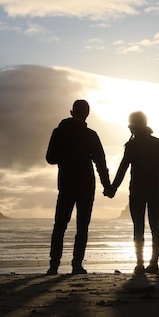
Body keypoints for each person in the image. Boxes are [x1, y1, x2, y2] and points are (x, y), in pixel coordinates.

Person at [45, 100, 110, 275]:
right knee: (82, 226)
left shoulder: (59, 132)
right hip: (86, 184)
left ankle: (54, 266)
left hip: (66, 183)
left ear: (72, 112)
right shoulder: (90, 135)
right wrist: (107, 186)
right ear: (87, 114)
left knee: (60, 225)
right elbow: (100, 162)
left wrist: (66, 158)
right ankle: (76, 265)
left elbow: (50, 158)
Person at [104, 111, 159, 274]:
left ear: (132, 126)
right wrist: (158, 191)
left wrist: (112, 188)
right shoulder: (157, 143)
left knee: (138, 228)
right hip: (153, 190)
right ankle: (154, 264)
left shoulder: (132, 145)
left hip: (137, 190)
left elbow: (123, 168)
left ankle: (139, 264)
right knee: (155, 227)